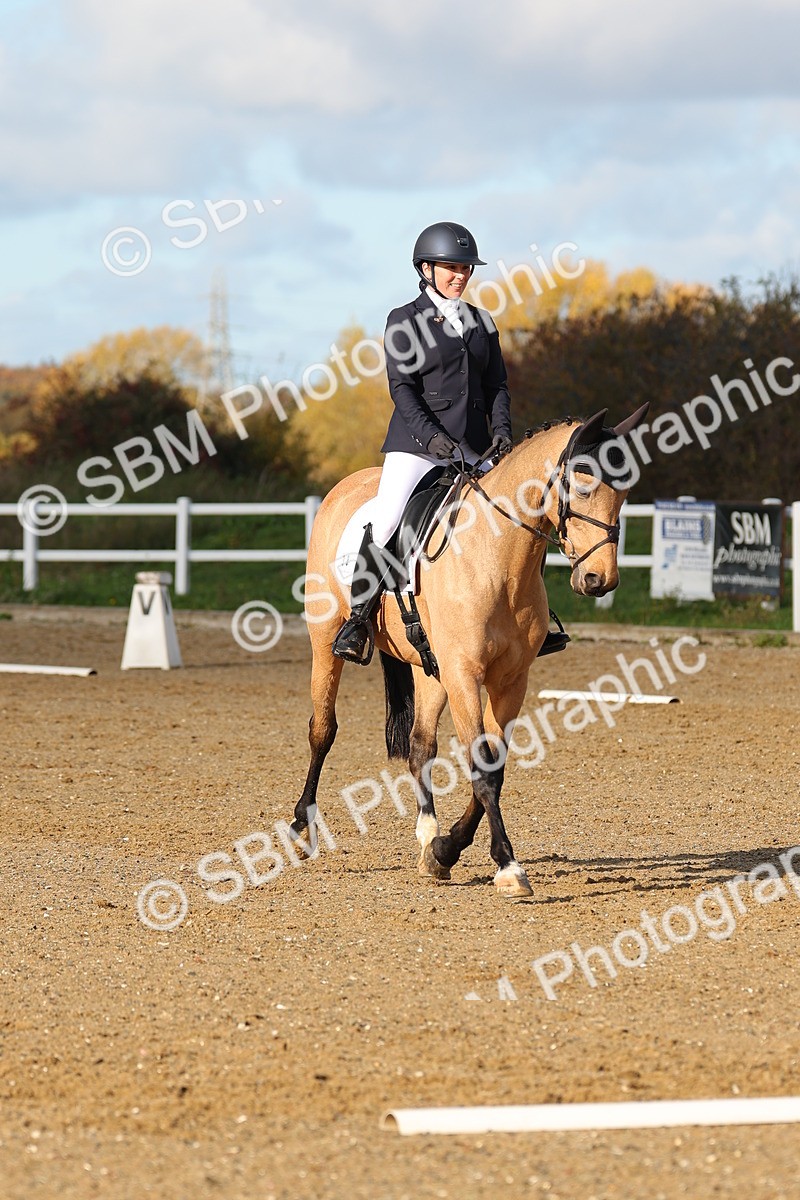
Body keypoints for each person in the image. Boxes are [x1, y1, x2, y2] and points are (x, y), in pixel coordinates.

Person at [332, 220, 568, 664]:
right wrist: (435, 440)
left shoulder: (481, 322)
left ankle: (531, 617)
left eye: (465, 268)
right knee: (387, 519)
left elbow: (497, 386)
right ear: (426, 268)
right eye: (451, 268)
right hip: (418, 446)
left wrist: (501, 431)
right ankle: (359, 618)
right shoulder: (404, 320)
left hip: (477, 448)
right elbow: (402, 389)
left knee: (523, 514)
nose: (460, 275)